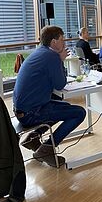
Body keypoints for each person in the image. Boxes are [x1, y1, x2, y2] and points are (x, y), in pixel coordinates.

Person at [13, 25, 86, 167]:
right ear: (54, 42)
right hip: (31, 113)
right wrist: (61, 61)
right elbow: (60, 84)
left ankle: (33, 138)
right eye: (62, 40)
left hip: (22, 110)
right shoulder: (52, 56)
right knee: (79, 113)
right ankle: (46, 150)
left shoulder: (40, 52)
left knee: (65, 107)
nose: (64, 44)